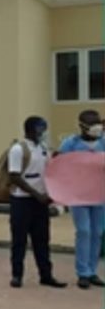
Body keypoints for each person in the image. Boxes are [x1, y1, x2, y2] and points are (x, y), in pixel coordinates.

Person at [9, 117, 68, 290]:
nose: (43, 132)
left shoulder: (43, 148)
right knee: (19, 240)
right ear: (31, 129)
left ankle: (46, 275)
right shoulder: (18, 149)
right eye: (41, 128)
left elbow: (49, 169)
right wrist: (35, 193)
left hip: (41, 201)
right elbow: (14, 176)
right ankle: (17, 275)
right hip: (22, 200)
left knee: (42, 240)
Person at [58, 110, 105, 289]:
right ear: (82, 126)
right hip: (78, 195)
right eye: (92, 124)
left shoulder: (103, 142)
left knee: (97, 232)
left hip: (99, 194)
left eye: (98, 123)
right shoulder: (70, 143)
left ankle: (93, 271)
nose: (96, 128)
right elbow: (60, 168)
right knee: (84, 231)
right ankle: (82, 272)